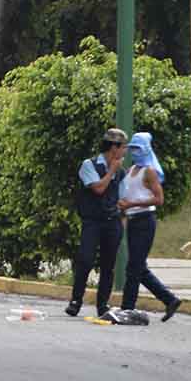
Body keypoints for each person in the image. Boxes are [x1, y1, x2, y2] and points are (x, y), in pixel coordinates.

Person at [119, 132, 182, 322]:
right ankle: (170, 299)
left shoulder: (150, 171)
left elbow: (158, 198)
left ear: (146, 149)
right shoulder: (131, 170)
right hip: (132, 220)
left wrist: (131, 205)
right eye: (132, 149)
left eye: (139, 149)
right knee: (139, 268)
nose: (135, 152)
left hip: (145, 220)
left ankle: (127, 309)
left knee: (133, 268)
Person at [66, 128, 128, 318]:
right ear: (113, 148)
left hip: (112, 222)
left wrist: (122, 223)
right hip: (92, 221)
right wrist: (111, 171)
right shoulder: (89, 165)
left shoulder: (121, 172)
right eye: (123, 147)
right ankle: (76, 300)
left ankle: (103, 305)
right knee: (85, 259)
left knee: (108, 265)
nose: (125, 151)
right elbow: (99, 189)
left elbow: (123, 199)